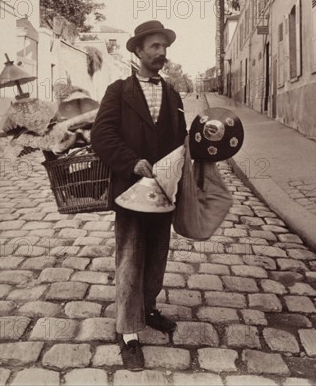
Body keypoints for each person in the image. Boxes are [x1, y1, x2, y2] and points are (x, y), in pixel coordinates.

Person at [91, 20, 187, 371]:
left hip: (163, 192)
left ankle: (147, 308)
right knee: (131, 256)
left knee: (158, 255)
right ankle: (128, 333)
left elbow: (181, 140)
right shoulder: (119, 91)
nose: (161, 53)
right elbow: (101, 136)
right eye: (155, 47)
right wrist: (132, 163)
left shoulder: (173, 94)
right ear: (138, 51)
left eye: (164, 47)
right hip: (130, 191)